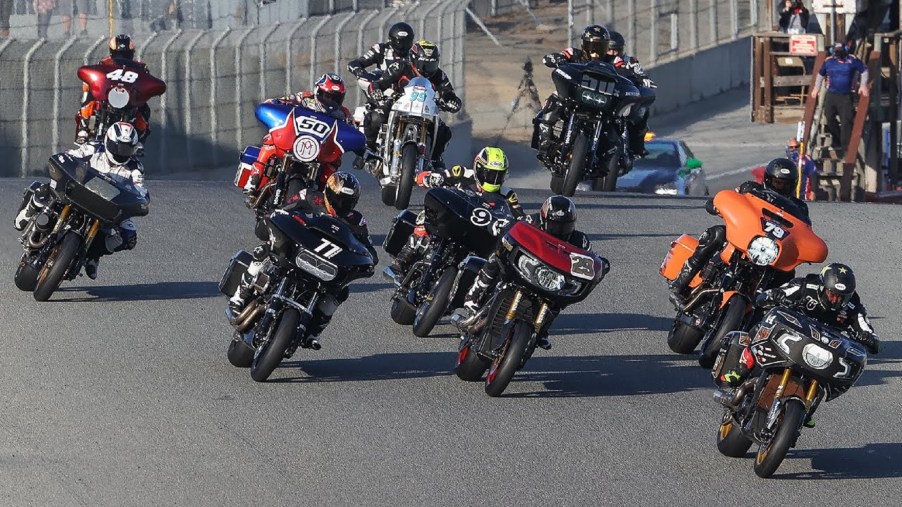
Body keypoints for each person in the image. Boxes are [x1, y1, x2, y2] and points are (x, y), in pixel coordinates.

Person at [229, 172, 378, 350]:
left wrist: (367, 260)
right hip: (295, 251)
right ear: (328, 192)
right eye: (338, 199)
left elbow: (368, 250)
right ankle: (239, 296)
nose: (341, 205)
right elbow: (285, 209)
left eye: (346, 202)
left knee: (341, 292)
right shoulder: (308, 196)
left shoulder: (357, 221)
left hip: (324, 266)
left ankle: (314, 331)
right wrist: (272, 216)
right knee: (264, 251)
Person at [718, 263, 880, 424]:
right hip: (791, 335)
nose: (835, 300)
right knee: (764, 324)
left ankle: (806, 410)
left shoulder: (854, 307)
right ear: (822, 287)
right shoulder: (804, 286)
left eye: (841, 297)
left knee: (830, 371)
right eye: (832, 294)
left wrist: (869, 338)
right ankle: (741, 368)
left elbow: (867, 330)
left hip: (819, 350)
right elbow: (768, 295)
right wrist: (773, 296)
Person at [456, 195, 609, 350]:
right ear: (544, 218)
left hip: (549, 277)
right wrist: (503, 225)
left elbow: (590, 257)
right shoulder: (531, 221)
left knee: (559, 300)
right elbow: (513, 224)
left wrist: (601, 265)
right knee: (496, 257)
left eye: (565, 226)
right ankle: (476, 292)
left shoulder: (580, 240)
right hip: (523, 267)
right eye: (555, 225)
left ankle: (542, 330)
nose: (560, 230)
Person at [15, 122, 147, 280]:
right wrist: (66, 161)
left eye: (127, 149)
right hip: (79, 192)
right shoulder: (94, 147)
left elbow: (140, 189)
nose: (122, 153)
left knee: (129, 237)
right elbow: (70, 155)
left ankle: (93, 254)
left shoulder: (135, 168)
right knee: (43, 191)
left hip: (106, 206)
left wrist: (141, 200)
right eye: (119, 147)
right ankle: (26, 215)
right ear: (108, 141)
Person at [669, 158, 810, 302]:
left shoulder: (800, 208)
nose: (781, 188)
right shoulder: (751, 189)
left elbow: (804, 232)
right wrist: (717, 205)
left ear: (793, 185)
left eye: (786, 185)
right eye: (778, 183)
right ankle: (681, 281)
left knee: (787, 272)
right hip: (745, 237)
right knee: (717, 233)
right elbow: (731, 199)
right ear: (768, 180)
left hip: (772, 248)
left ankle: (766, 308)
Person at [389, 146, 525, 275]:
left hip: (479, 232)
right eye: (490, 174)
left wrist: (526, 222)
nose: (494, 179)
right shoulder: (462, 173)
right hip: (453, 219)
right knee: (427, 214)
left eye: (499, 175)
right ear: (479, 168)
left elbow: (519, 216)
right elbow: (438, 176)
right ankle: (405, 255)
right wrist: (428, 178)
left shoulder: (508, 194)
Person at [241, 72, 351, 204]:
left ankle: (324, 195)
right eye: (327, 96)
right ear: (318, 91)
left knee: (335, 160)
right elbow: (279, 101)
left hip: (322, 147)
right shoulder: (303, 98)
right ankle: (254, 178)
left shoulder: (344, 114)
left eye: (336, 98)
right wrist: (272, 104)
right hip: (295, 139)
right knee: (271, 138)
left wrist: (361, 148)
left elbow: (353, 131)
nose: (331, 102)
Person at [363, 40, 462, 169]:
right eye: (424, 63)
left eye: (431, 64)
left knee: (444, 132)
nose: (427, 68)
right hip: (398, 102)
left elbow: (449, 93)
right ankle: (369, 150)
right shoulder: (400, 66)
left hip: (426, 108)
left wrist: (452, 101)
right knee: (374, 117)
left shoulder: (439, 75)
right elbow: (379, 82)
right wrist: (376, 91)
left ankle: (435, 159)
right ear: (414, 59)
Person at [533, 25, 611, 159]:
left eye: (600, 47)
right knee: (554, 99)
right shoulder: (574, 53)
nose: (596, 52)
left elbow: (625, 70)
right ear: (584, 45)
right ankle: (546, 136)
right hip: (573, 96)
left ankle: (607, 152)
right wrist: (556, 58)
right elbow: (549, 58)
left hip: (599, 102)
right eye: (592, 46)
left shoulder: (611, 62)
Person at [76, 34, 154, 145]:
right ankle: (84, 127)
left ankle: (139, 136)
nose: (122, 57)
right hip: (108, 93)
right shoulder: (104, 63)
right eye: (118, 54)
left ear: (131, 53)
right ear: (112, 52)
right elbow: (97, 77)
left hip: (129, 96)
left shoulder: (141, 67)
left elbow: (146, 81)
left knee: (144, 109)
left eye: (125, 54)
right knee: (91, 97)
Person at [606, 30, 656, 158]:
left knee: (642, 112)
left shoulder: (631, 61)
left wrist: (644, 79)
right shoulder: (599, 60)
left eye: (616, 51)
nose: (613, 54)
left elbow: (640, 74)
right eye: (610, 50)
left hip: (623, 98)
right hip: (605, 96)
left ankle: (637, 145)